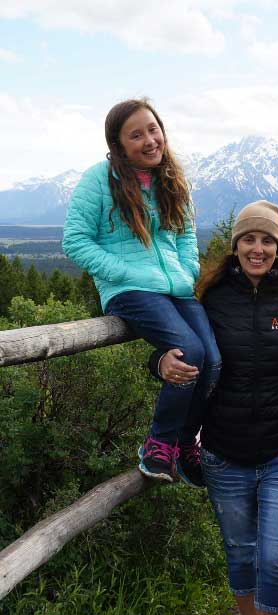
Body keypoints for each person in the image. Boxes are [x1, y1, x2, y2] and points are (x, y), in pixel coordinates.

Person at [151, 200, 278, 615]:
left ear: (277, 247)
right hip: (223, 453)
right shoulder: (207, 300)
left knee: (275, 558)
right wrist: (160, 362)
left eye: (267, 240)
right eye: (249, 239)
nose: (257, 248)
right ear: (235, 246)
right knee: (241, 553)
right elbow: (177, 349)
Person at [62, 98, 221, 488]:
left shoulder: (171, 179)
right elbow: (75, 240)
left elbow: (186, 237)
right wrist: (126, 272)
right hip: (129, 290)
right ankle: (160, 443)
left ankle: (186, 443)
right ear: (118, 145)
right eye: (136, 135)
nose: (150, 140)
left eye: (153, 129)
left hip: (176, 289)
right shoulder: (99, 179)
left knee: (214, 359)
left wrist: (187, 273)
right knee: (191, 349)